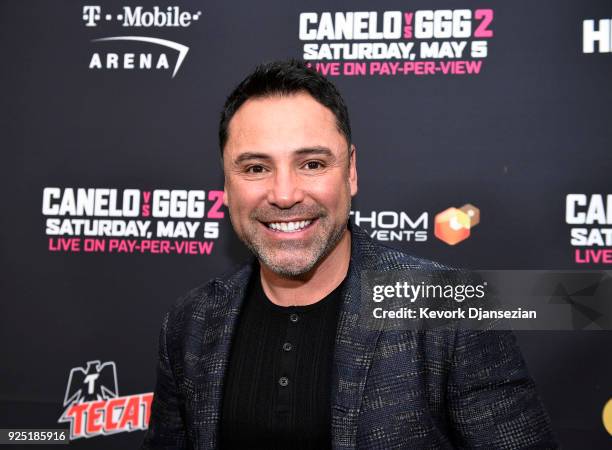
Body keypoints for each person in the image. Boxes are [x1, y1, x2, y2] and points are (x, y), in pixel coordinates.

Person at [142, 60, 557, 449]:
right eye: (255, 169)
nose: (284, 195)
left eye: (312, 164)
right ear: (227, 186)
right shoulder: (190, 321)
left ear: (351, 171)